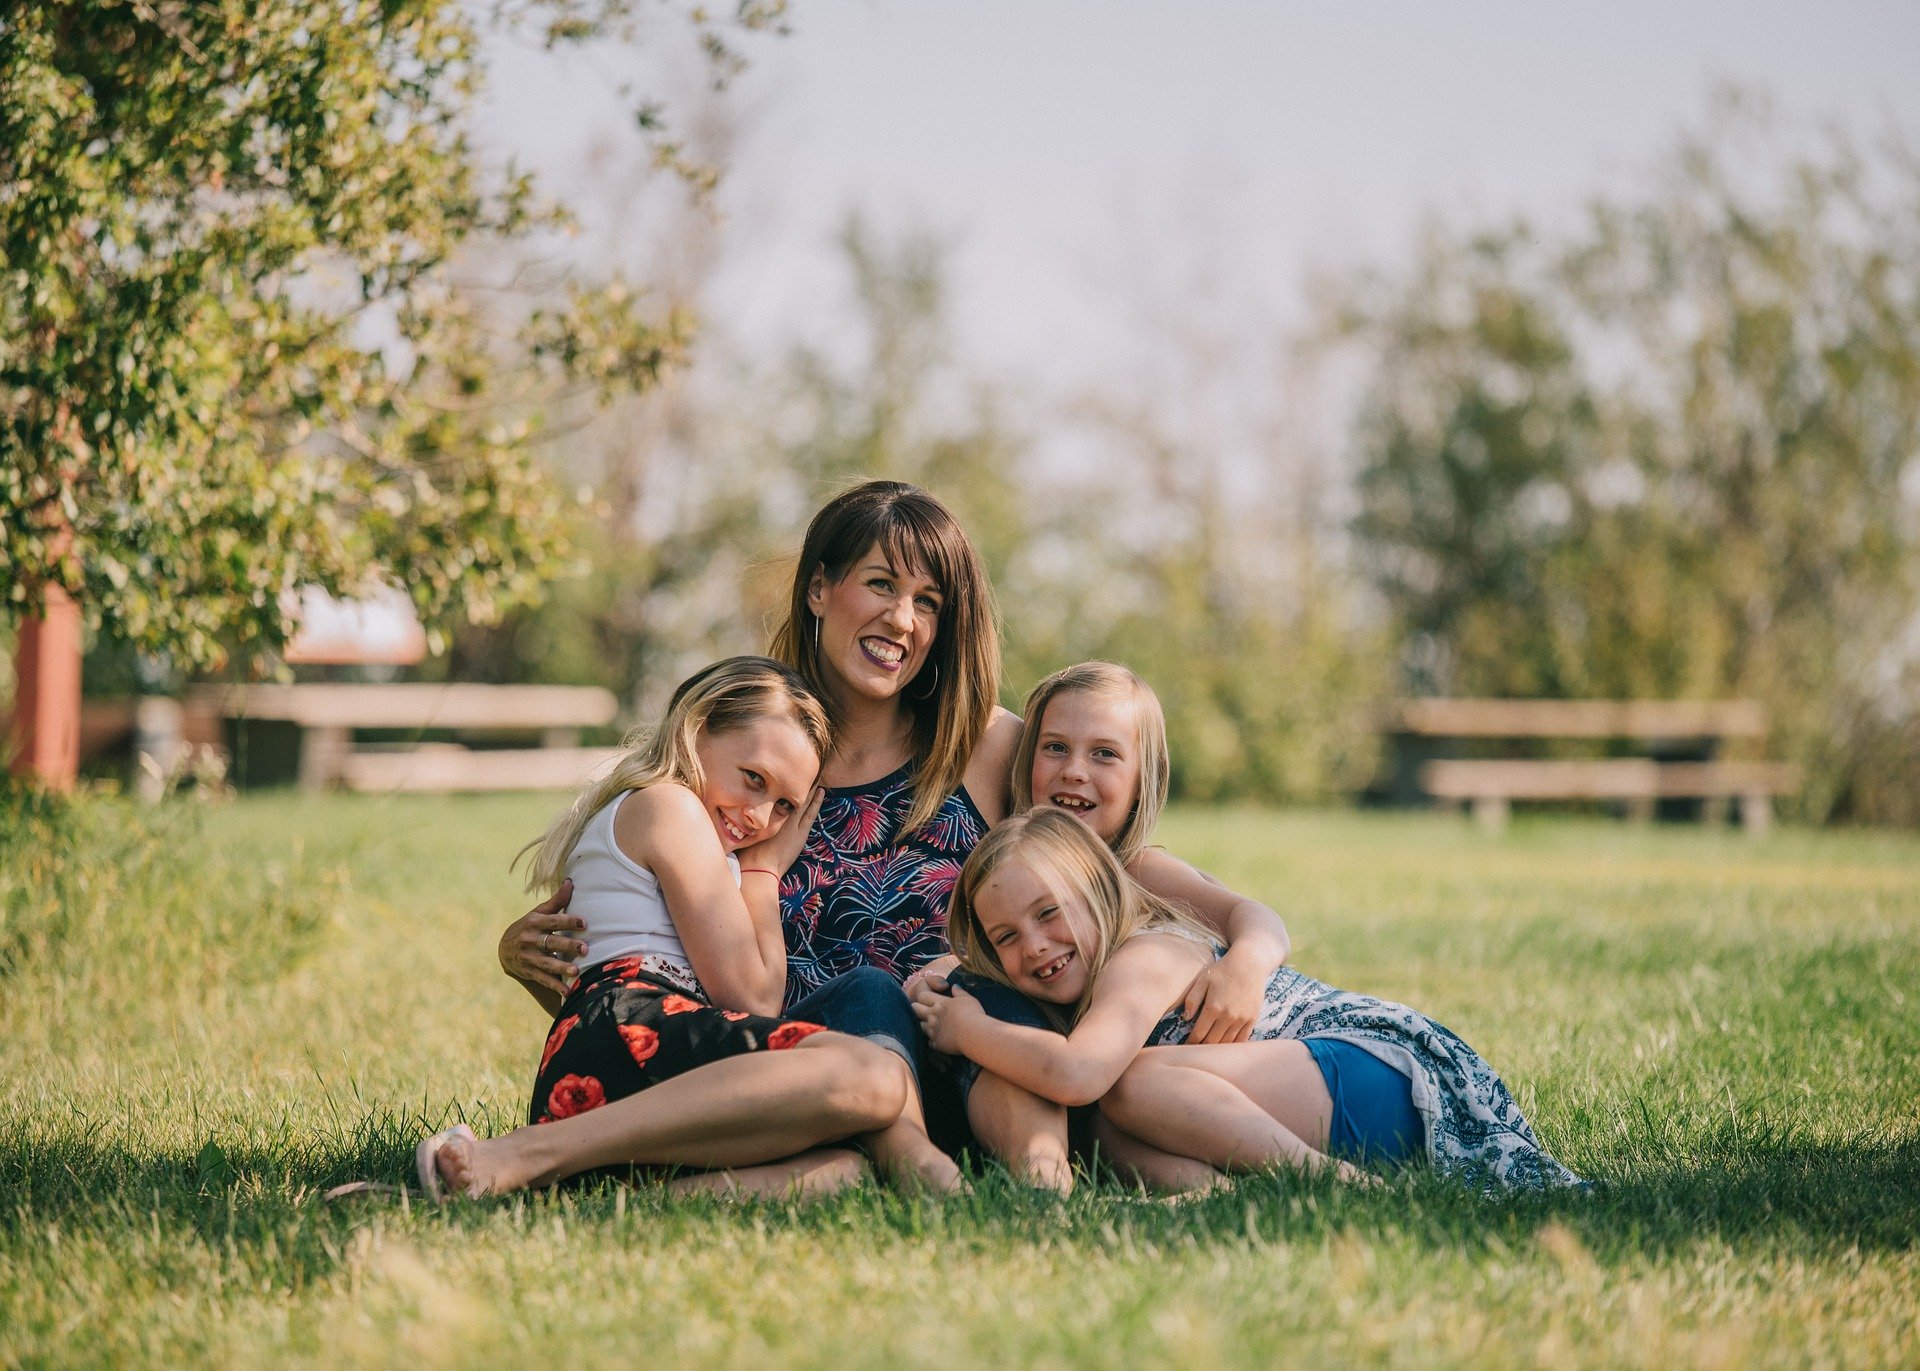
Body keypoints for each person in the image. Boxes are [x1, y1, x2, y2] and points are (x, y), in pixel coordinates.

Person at [496, 482, 1286, 1182]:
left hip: (994, 1072)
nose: (901, 619)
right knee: (868, 993)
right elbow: (665, 961)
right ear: (817, 590)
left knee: (969, 983)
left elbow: (1120, 872)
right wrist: (530, 959)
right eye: (879, 583)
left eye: (929, 601)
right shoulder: (752, 763)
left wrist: (1249, 949)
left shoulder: (986, 749)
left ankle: (1039, 1182)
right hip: (806, 1081)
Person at [416, 657, 921, 1201]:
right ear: (697, 729)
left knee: (843, 1172)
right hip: (627, 1035)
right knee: (875, 1076)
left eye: (784, 806)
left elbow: (582, 985)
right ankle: (524, 1153)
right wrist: (763, 871)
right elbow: (750, 997)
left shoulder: (675, 824)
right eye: (753, 779)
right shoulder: (669, 806)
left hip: (623, 1061)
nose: (758, 816)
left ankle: (599, 1202)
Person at [916, 805, 1585, 1192]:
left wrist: (966, 1028)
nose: (1035, 945)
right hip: (1318, 1097)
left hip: (1386, 1077)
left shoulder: (1145, 952)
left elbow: (1078, 1070)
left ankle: (1331, 1185)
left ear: (1098, 889)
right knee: (1104, 1128)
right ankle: (1223, 1196)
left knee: (1127, 1084)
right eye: (1007, 935)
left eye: (1049, 912)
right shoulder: (1082, 976)